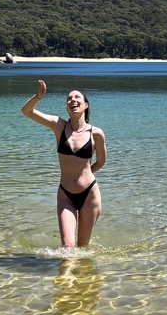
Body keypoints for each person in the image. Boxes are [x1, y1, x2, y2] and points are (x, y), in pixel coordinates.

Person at [22, 80, 106, 248]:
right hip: (66, 195)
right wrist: (39, 96)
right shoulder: (59, 126)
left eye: (77, 97)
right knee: (68, 247)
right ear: (67, 107)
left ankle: (83, 274)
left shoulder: (96, 133)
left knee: (83, 247)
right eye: (69, 98)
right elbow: (27, 111)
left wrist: (86, 175)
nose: (72, 100)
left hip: (89, 195)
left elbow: (102, 161)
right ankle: (65, 274)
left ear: (85, 105)